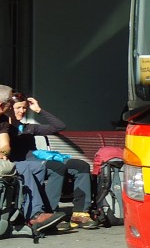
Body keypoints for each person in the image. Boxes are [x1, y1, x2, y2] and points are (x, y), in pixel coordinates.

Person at [7, 92, 98, 231]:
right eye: (18, 108)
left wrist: (39, 111)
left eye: (24, 108)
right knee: (57, 167)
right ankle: (51, 213)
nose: (22, 111)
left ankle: (80, 213)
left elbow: (59, 126)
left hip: (39, 159)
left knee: (81, 165)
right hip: (24, 163)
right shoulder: (5, 129)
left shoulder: (28, 127)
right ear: (9, 109)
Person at [0, 84, 65, 235]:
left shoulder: (3, 120)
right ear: (3, 105)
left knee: (37, 167)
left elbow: (4, 144)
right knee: (24, 167)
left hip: (8, 161)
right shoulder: (8, 123)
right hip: (16, 162)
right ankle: (34, 214)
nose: (15, 109)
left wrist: (3, 151)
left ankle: (33, 214)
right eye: (11, 104)